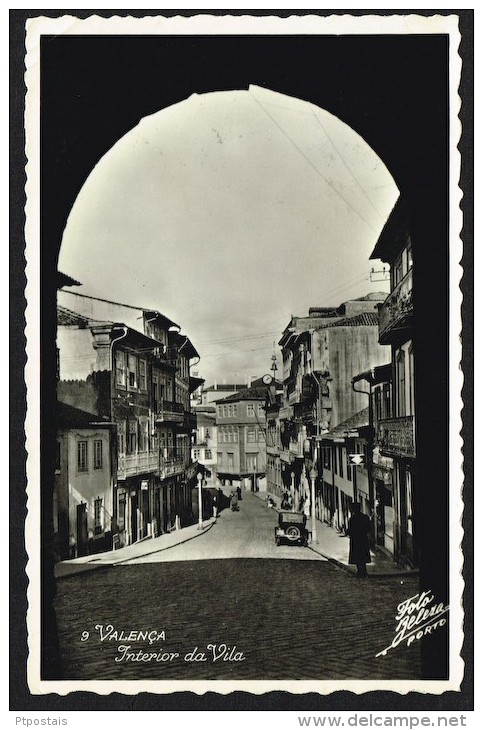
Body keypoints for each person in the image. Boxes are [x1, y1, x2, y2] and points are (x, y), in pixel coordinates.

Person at [347, 502, 372, 577]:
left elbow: (350, 530)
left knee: (357, 556)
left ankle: (360, 572)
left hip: (356, 540)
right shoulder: (365, 517)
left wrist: (349, 532)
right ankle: (363, 571)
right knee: (363, 556)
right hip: (363, 539)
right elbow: (369, 529)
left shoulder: (353, 519)